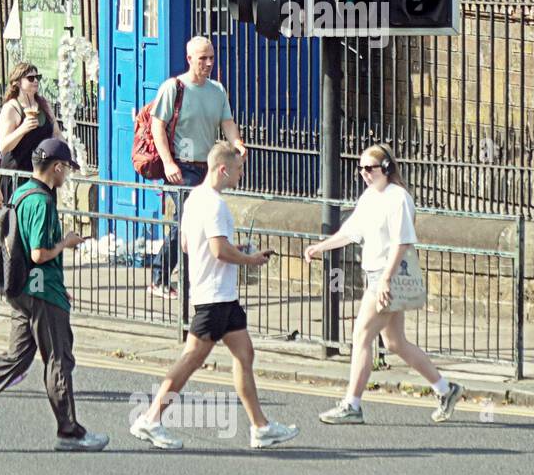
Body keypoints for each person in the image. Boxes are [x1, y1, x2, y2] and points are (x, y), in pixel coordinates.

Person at [129, 141, 300, 450]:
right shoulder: (215, 204)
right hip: (213, 297)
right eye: (238, 169)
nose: (241, 174)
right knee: (191, 359)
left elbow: (184, 245)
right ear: (223, 169)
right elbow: (218, 250)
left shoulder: (194, 199)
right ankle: (150, 418)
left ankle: (260, 427)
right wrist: (250, 259)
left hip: (221, 295)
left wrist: (239, 253)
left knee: (244, 354)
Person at [0, 138, 109, 452]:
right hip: (41, 293)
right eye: (67, 170)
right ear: (57, 167)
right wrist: (67, 243)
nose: (67, 176)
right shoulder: (43, 202)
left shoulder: (22, 192)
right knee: (59, 358)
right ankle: (69, 432)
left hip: (21, 289)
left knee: (16, 359)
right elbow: (38, 253)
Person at [305, 144, 464, 425]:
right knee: (395, 342)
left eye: (370, 168)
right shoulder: (370, 197)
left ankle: (352, 404)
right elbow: (351, 231)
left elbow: (402, 241)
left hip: (385, 276)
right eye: (361, 168)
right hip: (377, 275)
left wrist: (387, 280)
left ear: (386, 168)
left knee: (361, 337)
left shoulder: (398, 198)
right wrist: (321, 247)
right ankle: (445, 389)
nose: (364, 173)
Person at [149, 36, 247, 299]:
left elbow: (227, 121)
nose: (208, 63)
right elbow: (157, 125)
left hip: (207, 167)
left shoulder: (217, 90)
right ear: (189, 58)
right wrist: (168, 162)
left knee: (190, 224)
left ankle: (187, 281)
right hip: (181, 166)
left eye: (211, 58)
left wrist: (236, 143)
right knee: (188, 223)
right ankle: (160, 276)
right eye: (202, 58)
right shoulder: (174, 87)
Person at [0, 62, 61, 201]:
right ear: (17, 83)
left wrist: (66, 154)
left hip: (42, 172)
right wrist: (22, 129)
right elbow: (3, 146)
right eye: (31, 78)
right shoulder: (11, 108)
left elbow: (56, 132)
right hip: (18, 174)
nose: (36, 81)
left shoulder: (44, 103)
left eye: (38, 77)